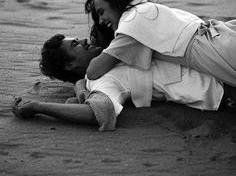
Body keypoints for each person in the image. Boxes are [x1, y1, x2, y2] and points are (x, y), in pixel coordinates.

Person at [12, 34, 234, 132]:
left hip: (219, 59)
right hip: (223, 88)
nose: (84, 41)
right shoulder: (103, 80)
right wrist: (39, 107)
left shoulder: (110, 56)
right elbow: (99, 112)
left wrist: (79, 85)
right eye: (76, 45)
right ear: (70, 65)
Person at [84, 0, 236, 87]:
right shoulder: (146, 9)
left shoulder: (132, 22)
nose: (102, 20)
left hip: (211, 49)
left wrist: (80, 83)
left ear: (116, 1)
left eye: (101, 12)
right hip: (222, 34)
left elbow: (93, 71)